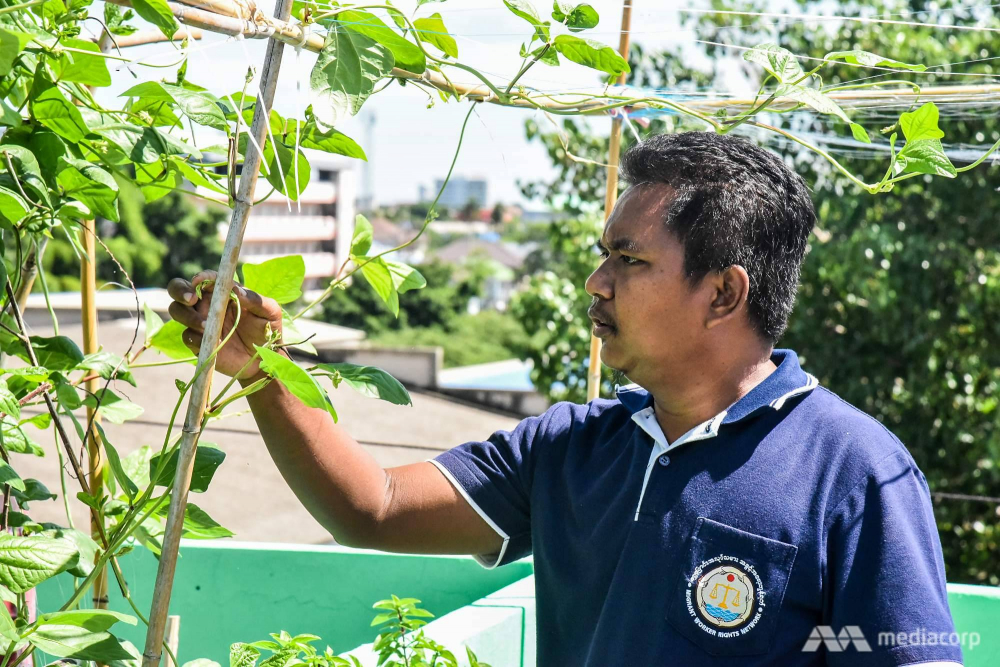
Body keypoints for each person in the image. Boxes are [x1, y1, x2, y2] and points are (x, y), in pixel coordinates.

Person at [167, 131, 963, 666]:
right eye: (600, 254)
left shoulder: (855, 473)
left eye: (627, 258)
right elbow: (370, 504)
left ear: (724, 294)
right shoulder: (575, 446)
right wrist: (264, 371)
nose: (597, 281)